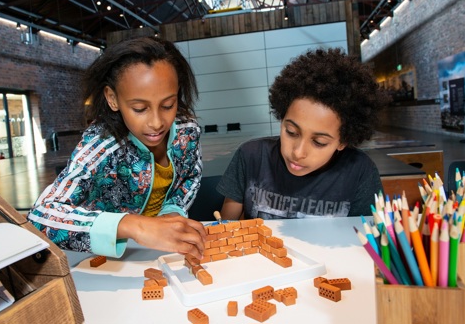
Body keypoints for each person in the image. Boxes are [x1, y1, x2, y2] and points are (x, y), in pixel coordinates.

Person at [28, 36, 206, 259]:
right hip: (103, 258)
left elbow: (190, 176)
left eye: (168, 105)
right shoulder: (101, 144)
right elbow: (39, 216)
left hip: (159, 251)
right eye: (140, 108)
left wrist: (170, 213)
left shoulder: (186, 129)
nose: (157, 122)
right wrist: (135, 226)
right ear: (112, 98)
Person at [218, 48, 388, 220]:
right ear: (282, 117)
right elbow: (226, 229)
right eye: (291, 132)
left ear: (343, 140)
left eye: (319, 142)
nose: (298, 153)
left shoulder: (359, 170)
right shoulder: (251, 156)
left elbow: (370, 236)